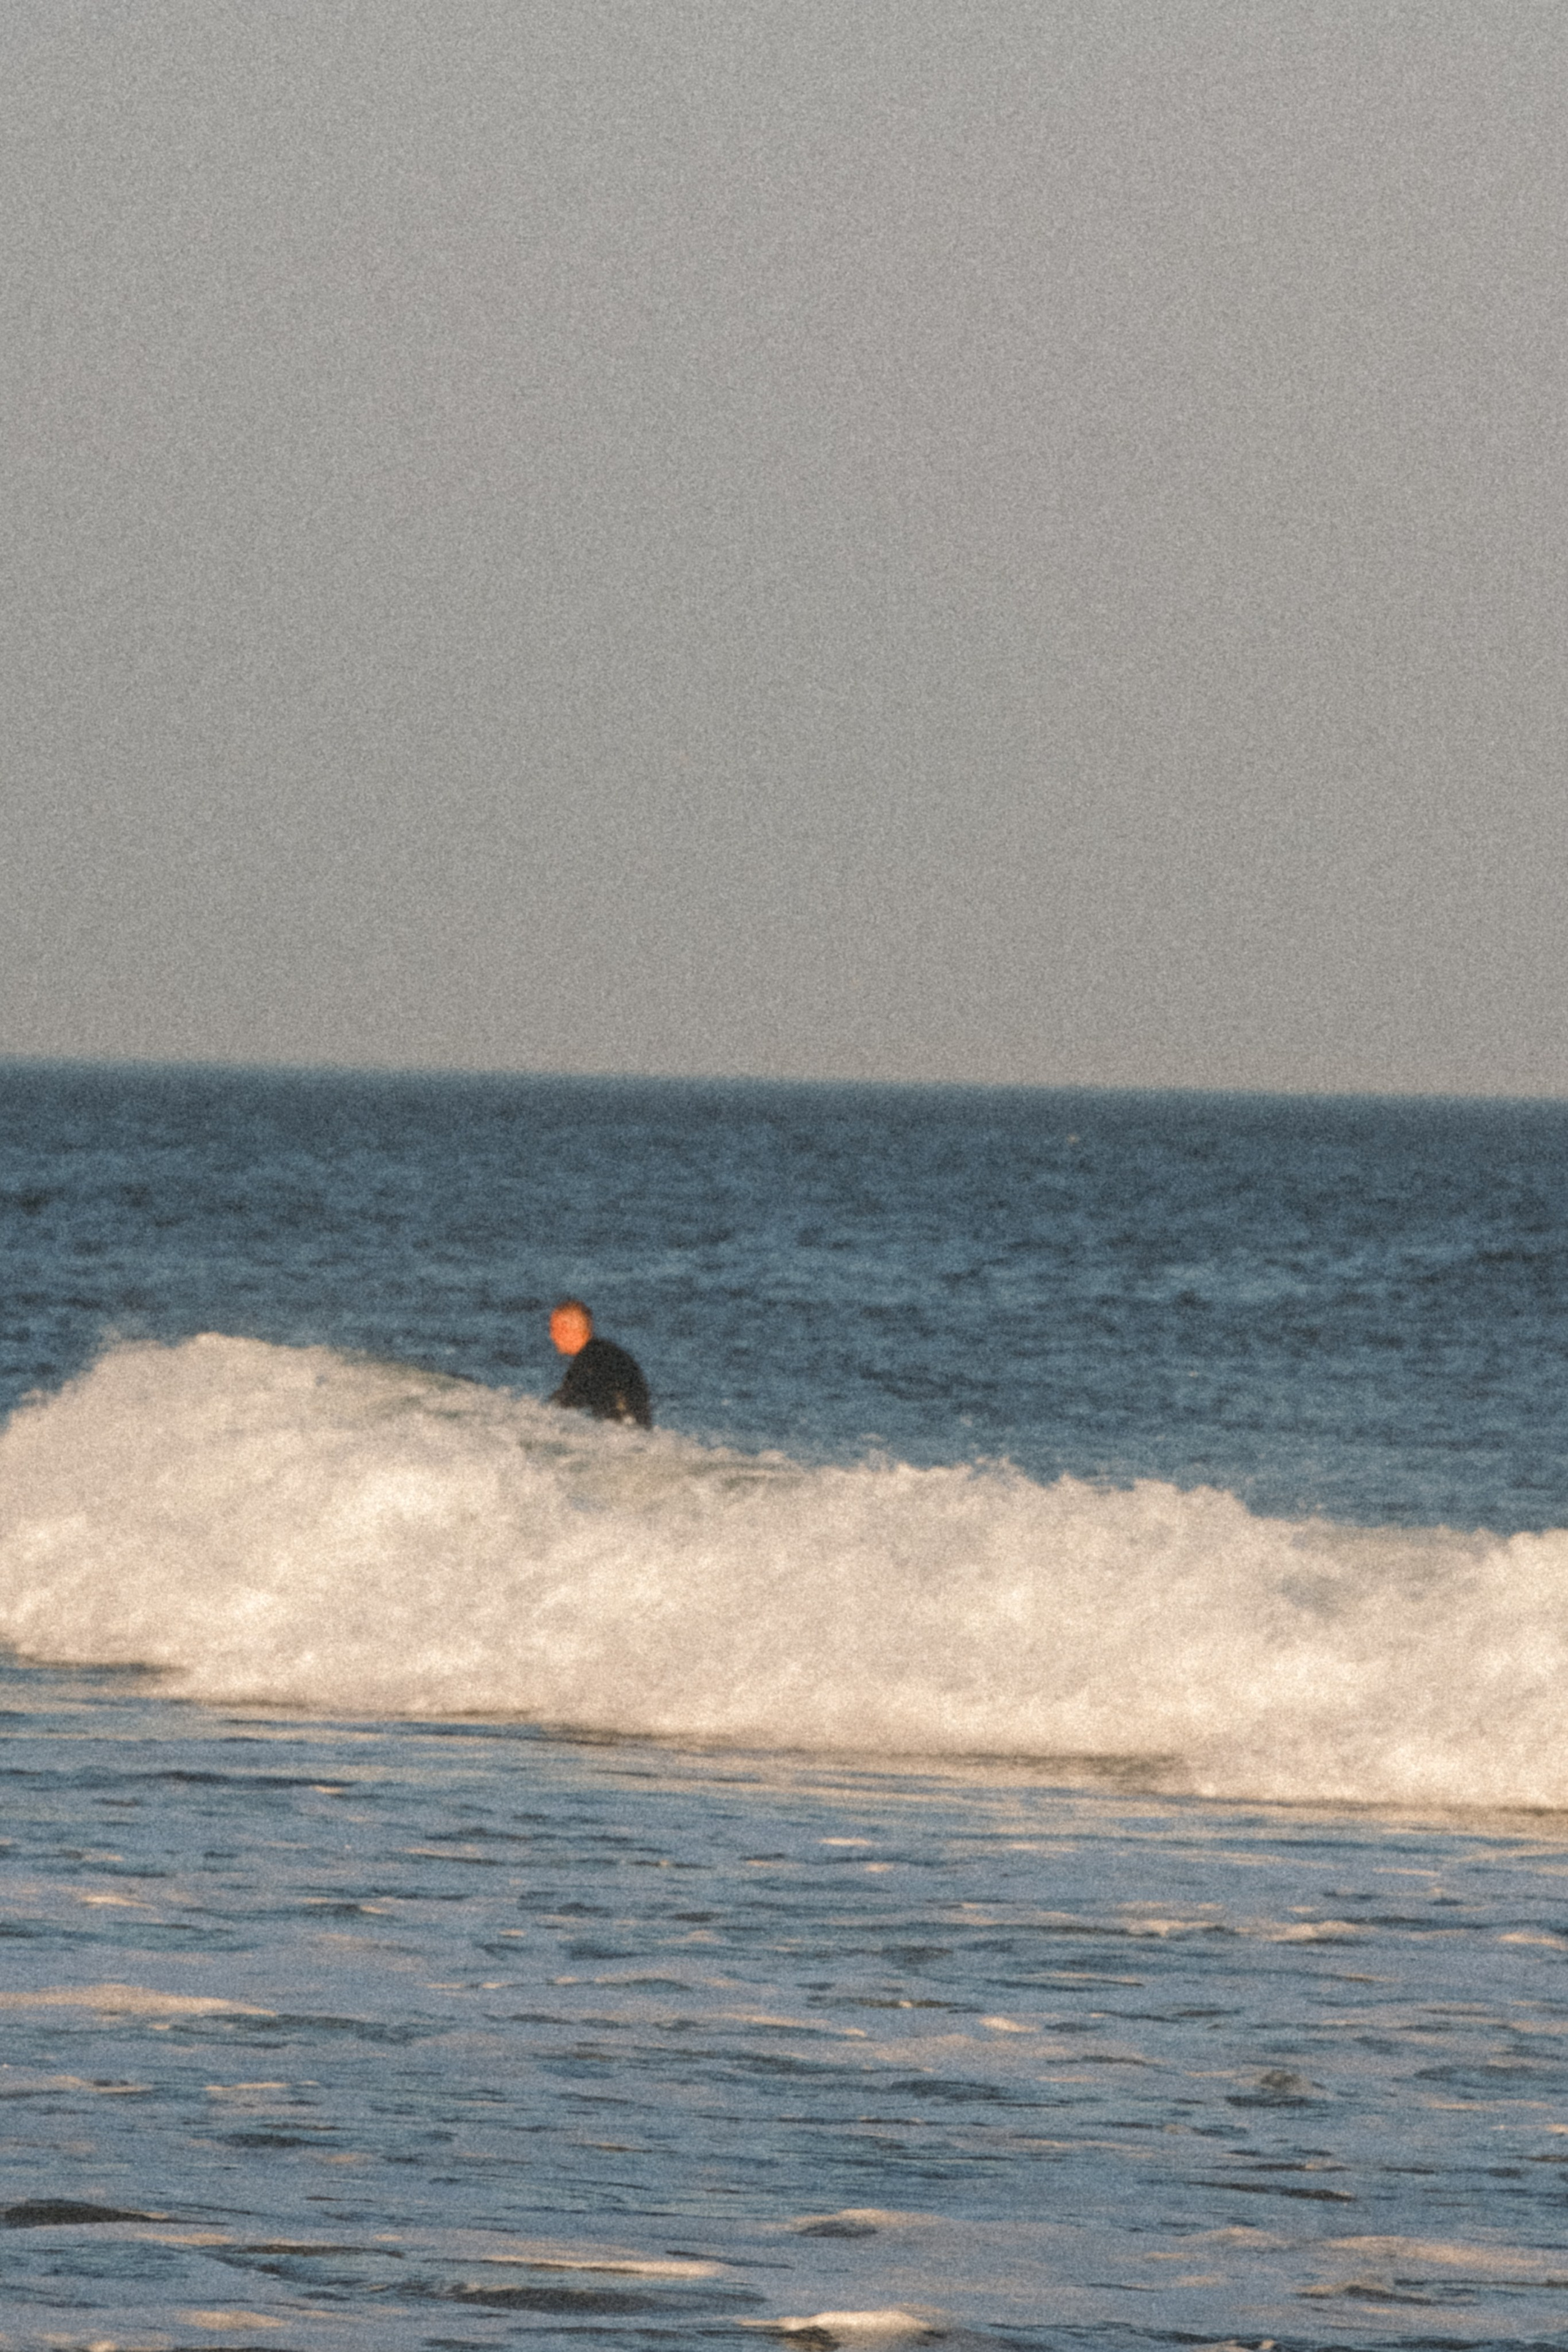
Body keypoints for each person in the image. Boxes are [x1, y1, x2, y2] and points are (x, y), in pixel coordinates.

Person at [546, 1299, 653, 1428]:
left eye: (554, 1329)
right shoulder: (614, 1354)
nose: (552, 1336)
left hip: (620, 1435)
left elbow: (563, 1403)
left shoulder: (586, 1361)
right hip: (641, 1431)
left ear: (565, 1328)